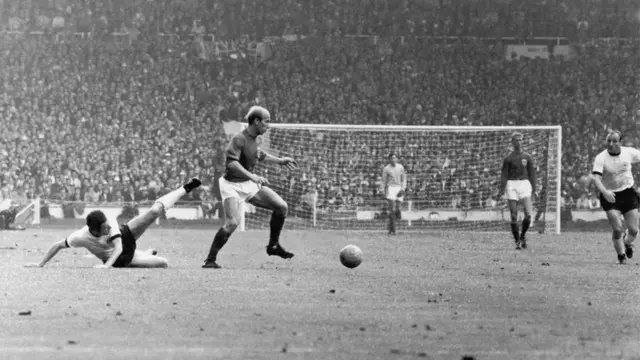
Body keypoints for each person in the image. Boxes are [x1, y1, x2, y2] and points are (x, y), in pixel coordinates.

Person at [25, 179, 201, 268]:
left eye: (107, 225)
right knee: (163, 263)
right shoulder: (80, 237)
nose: (108, 227)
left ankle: (183, 189)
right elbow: (57, 246)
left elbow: (118, 246)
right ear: (93, 230)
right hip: (124, 259)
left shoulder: (110, 224)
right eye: (104, 228)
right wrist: (40, 264)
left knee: (154, 212)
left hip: (126, 236)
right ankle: (146, 253)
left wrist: (105, 268)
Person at [202, 106, 297, 269]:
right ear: (256, 121)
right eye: (267, 121)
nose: (269, 125)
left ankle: (273, 246)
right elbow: (232, 164)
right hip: (231, 185)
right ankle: (210, 260)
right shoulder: (239, 138)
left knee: (281, 207)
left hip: (248, 185)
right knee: (232, 223)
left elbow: (259, 155)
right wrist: (253, 176)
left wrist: (280, 161)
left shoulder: (254, 140)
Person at [590, 130, 640, 264]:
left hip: (628, 193)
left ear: (620, 142)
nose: (611, 144)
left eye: (614, 141)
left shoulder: (629, 152)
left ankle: (627, 243)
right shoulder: (601, 157)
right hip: (610, 194)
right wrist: (605, 192)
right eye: (608, 141)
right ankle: (621, 255)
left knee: (634, 230)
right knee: (618, 228)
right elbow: (596, 178)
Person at [500, 132, 536, 249]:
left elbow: (532, 174)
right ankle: (517, 242)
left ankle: (522, 236)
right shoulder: (508, 159)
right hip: (511, 184)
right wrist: (502, 189)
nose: (519, 142)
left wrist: (534, 188)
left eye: (520, 140)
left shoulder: (528, 157)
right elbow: (504, 175)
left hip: (524, 184)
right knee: (514, 215)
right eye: (516, 140)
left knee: (528, 215)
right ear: (512, 142)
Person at [381, 153, 406, 235]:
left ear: (397, 159)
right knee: (392, 210)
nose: (393, 160)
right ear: (389, 160)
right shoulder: (386, 168)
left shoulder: (400, 167)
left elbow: (404, 179)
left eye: (395, 158)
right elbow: (383, 181)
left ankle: (391, 227)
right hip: (391, 188)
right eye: (392, 158)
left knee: (398, 209)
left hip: (399, 188)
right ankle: (393, 230)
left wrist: (403, 189)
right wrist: (382, 191)